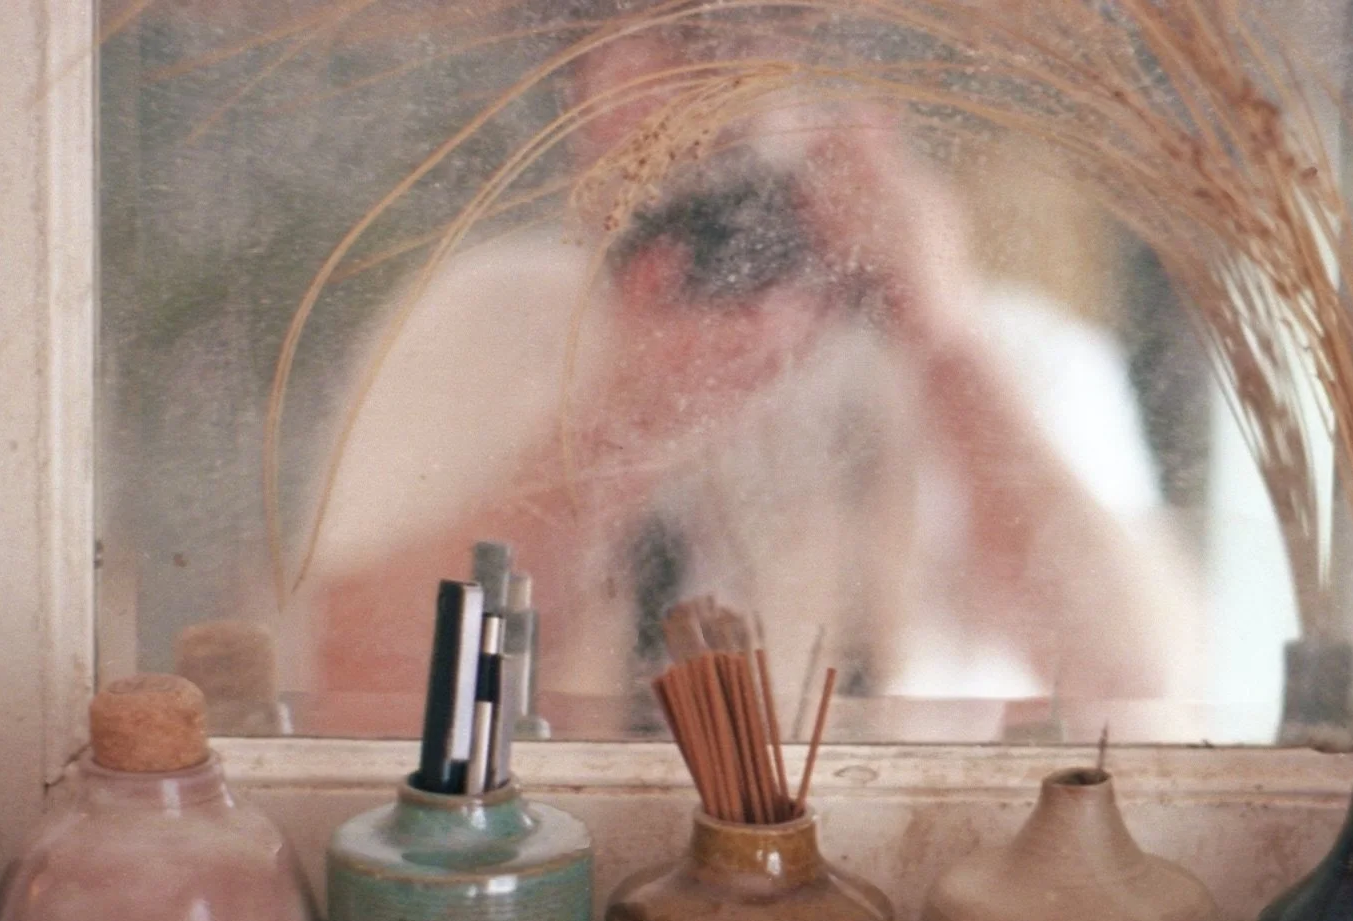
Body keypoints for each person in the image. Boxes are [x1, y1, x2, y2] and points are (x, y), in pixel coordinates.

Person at [294, 22, 1201, 741]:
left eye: (750, 39)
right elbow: (353, 684)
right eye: (658, 41)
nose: (706, 97)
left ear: (861, 106)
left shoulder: (1015, 348)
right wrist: (621, 424)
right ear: (579, 90)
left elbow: (1139, 689)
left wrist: (944, 345)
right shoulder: (485, 321)